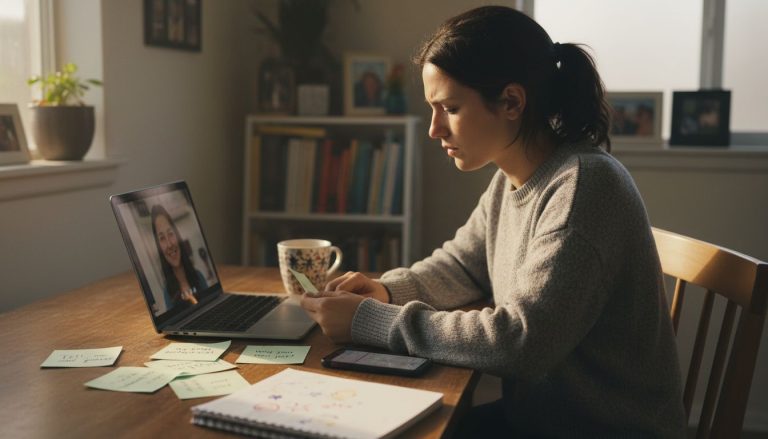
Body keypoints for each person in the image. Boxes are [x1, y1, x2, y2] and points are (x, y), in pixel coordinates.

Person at [300, 6, 685, 438]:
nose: (434, 129)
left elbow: (519, 341)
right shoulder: (513, 177)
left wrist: (371, 320)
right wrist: (387, 290)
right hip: (539, 421)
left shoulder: (584, 187)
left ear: (511, 102)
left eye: (449, 107)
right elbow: (462, 265)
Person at [151, 204, 206, 309]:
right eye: (162, 238)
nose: (169, 244)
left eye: (170, 234)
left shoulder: (199, 277)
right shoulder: (168, 293)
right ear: (159, 247)